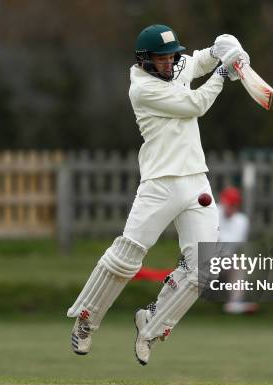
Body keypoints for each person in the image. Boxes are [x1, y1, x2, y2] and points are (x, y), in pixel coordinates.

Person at [67, 24, 248, 365]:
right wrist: (225, 71)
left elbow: (202, 60)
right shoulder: (143, 89)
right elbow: (196, 103)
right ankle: (87, 320)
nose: (168, 64)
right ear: (145, 60)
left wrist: (226, 47)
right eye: (161, 59)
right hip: (160, 182)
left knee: (204, 268)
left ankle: (151, 323)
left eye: (171, 57)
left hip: (195, 180)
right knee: (126, 258)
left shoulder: (178, 65)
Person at [216, 187, 258, 314]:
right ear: (223, 202)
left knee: (239, 264)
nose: (231, 207)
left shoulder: (242, 221)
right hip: (203, 258)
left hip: (225, 260)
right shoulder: (211, 213)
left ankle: (235, 303)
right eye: (229, 203)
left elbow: (235, 243)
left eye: (234, 204)